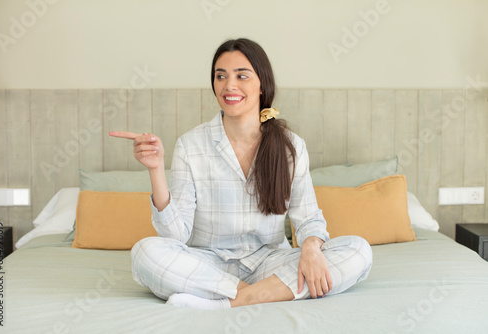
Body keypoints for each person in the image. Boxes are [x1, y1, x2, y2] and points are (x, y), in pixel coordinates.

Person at [109, 38, 372, 310]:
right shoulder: (190, 145)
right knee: (145, 253)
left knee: (359, 251)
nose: (228, 85)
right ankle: (261, 294)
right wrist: (156, 171)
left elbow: (308, 219)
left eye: (241, 76)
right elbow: (175, 236)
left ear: (262, 84)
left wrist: (310, 249)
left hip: (270, 261)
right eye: (220, 76)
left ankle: (224, 302)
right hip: (208, 264)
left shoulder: (290, 147)